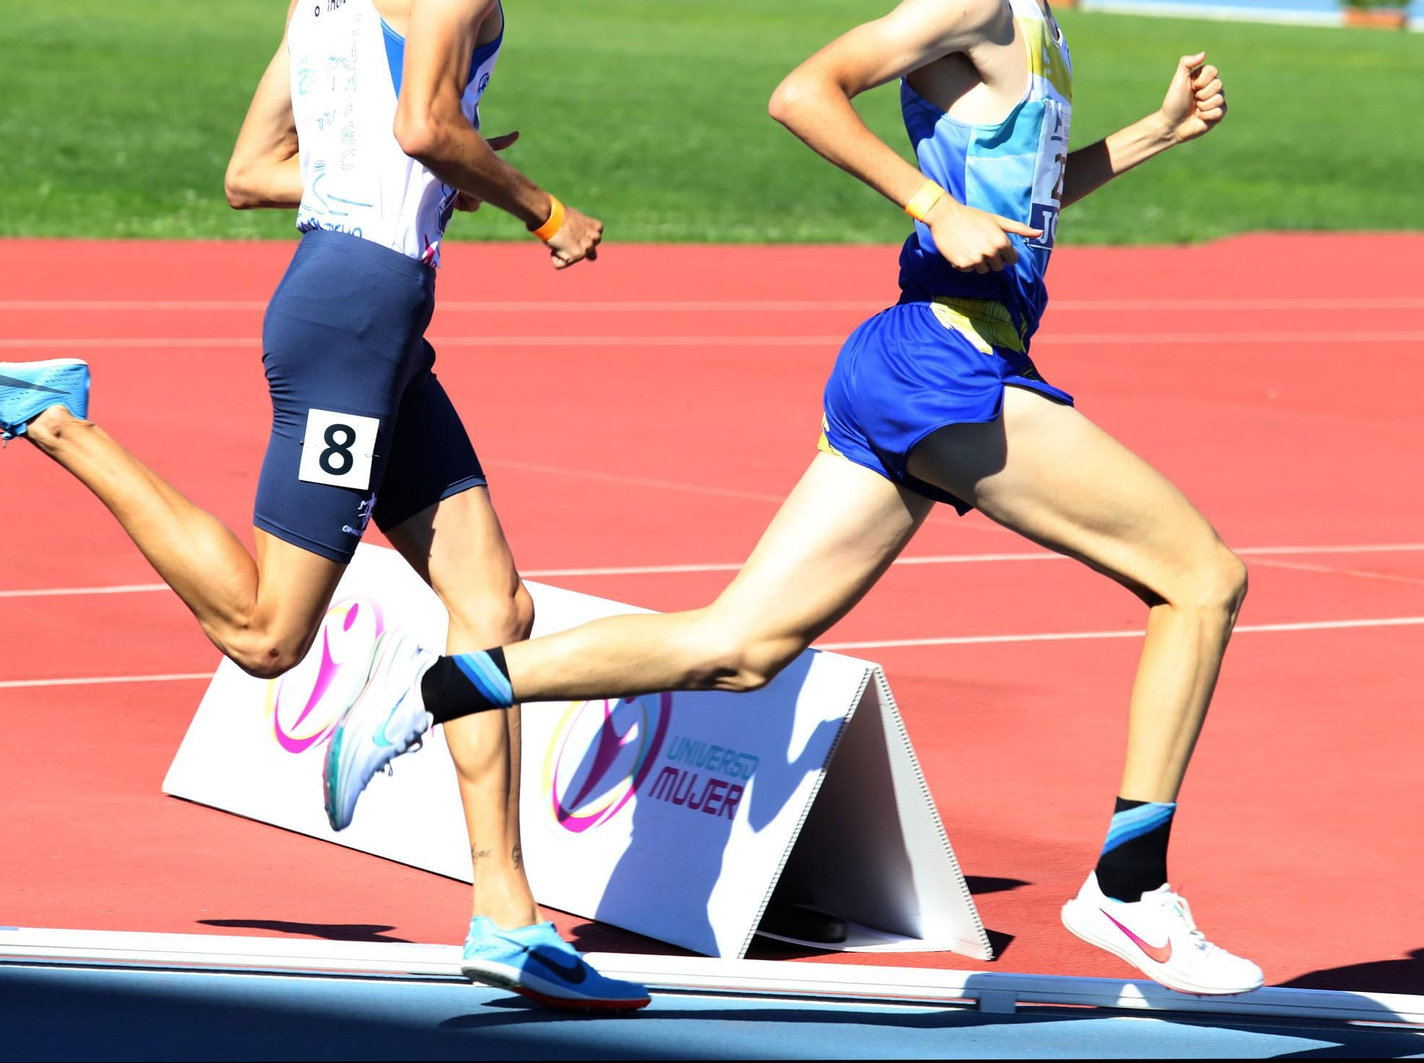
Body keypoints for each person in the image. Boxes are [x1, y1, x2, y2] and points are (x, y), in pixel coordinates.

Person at [329, 0, 1263, 997]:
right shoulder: (975, 7)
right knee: (1202, 579)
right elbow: (802, 93)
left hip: (912, 366)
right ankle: (1128, 885)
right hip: (947, 360)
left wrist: (1148, 136)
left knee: (734, 648)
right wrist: (927, 203)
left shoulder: (1034, 28)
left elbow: (1018, 207)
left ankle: (443, 689)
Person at [0, 0, 648, 1013]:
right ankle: (59, 420)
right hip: (355, 330)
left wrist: (431, 175)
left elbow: (253, 174)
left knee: (494, 607)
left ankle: (506, 917)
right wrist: (540, 207)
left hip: (363, 319)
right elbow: (425, 127)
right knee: (265, 632)